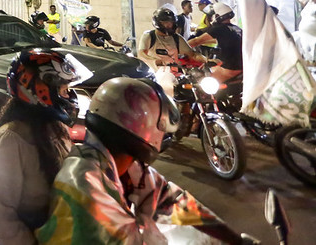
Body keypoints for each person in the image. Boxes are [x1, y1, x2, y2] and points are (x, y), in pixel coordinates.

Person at [35, 76, 244, 244]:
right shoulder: (84, 186)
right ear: (142, 126)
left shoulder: (115, 163)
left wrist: (236, 239)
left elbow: (171, 198)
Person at [0, 49, 88, 245]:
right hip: (6, 229)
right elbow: (1, 215)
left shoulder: (54, 126)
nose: (69, 95)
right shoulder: (9, 140)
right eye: (63, 88)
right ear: (39, 89)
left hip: (46, 221)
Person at [188, 2, 243, 83]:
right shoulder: (236, 28)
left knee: (200, 81)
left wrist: (179, 47)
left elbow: (196, 41)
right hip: (241, 66)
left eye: (211, 16)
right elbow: (223, 39)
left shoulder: (218, 29)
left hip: (230, 68)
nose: (210, 19)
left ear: (217, 16)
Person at [139, 7, 206, 71]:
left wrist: (205, 59)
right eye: (166, 23)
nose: (169, 25)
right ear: (158, 23)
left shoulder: (176, 38)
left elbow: (192, 54)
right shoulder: (149, 36)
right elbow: (141, 55)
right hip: (155, 74)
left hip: (173, 73)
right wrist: (158, 61)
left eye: (171, 22)